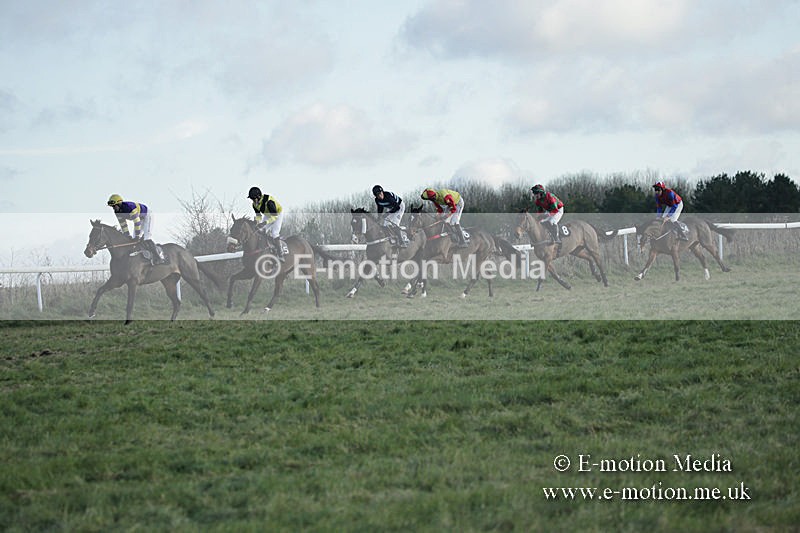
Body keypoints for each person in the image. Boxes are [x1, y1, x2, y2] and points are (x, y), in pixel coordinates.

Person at [106, 194, 167, 264]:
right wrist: (127, 235)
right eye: (112, 206)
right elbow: (123, 225)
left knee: (147, 238)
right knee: (134, 240)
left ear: (119, 203)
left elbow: (137, 222)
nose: (113, 208)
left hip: (147, 215)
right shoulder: (117, 212)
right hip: (139, 219)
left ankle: (159, 257)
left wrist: (138, 236)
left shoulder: (129, 207)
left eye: (114, 206)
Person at [247, 186, 289, 261]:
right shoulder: (254, 204)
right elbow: (258, 216)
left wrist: (265, 222)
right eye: (251, 199)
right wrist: (257, 222)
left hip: (277, 214)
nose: (253, 201)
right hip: (267, 214)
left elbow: (274, 217)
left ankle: (280, 254)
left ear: (258, 196)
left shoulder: (269, 202)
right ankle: (265, 248)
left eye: (253, 199)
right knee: (260, 230)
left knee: (274, 233)